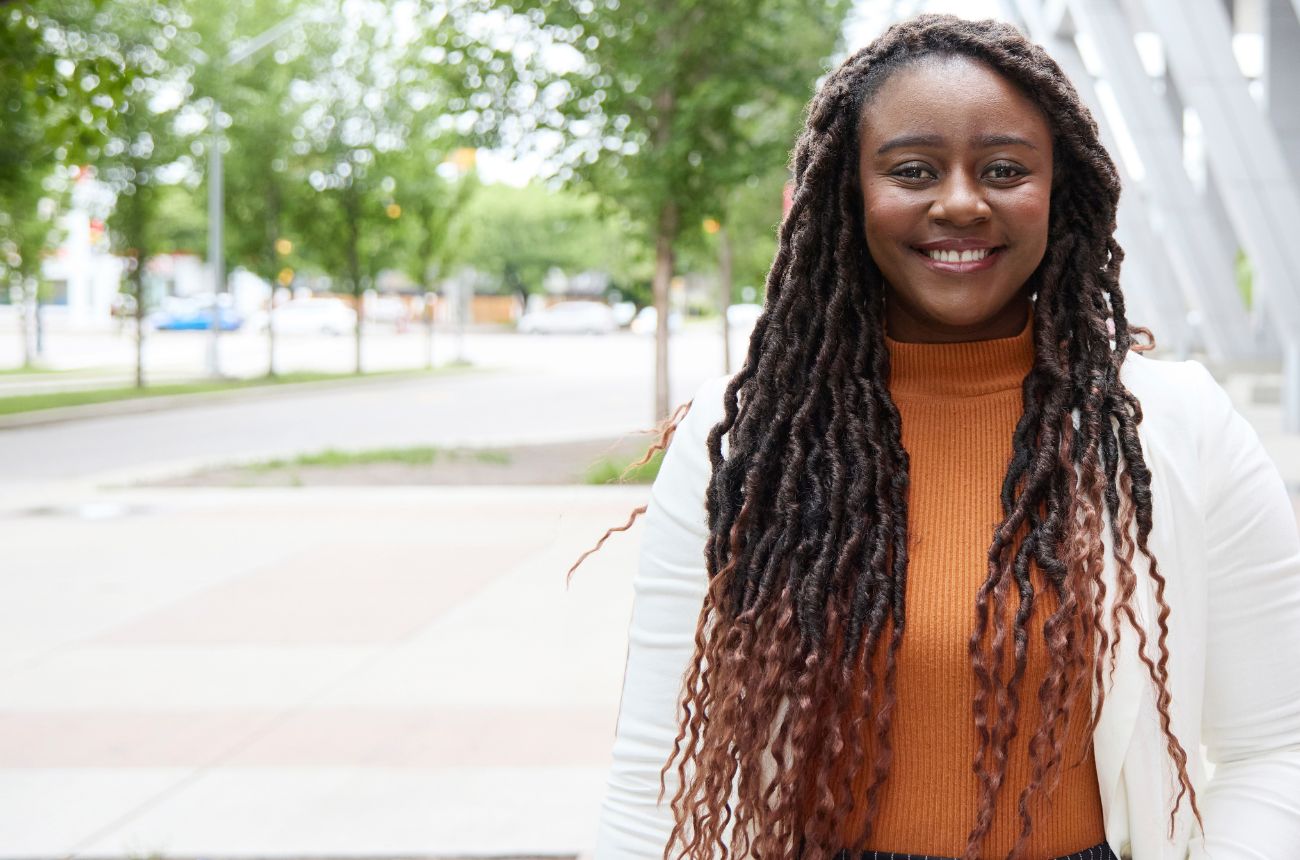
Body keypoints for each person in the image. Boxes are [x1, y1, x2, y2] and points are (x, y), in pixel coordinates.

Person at [578, 13, 1300, 860]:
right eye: (913, 169)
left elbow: (1274, 749)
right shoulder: (744, 439)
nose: (960, 201)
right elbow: (652, 783)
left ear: (1058, 191)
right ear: (848, 193)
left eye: (1003, 169)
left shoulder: (1185, 430)